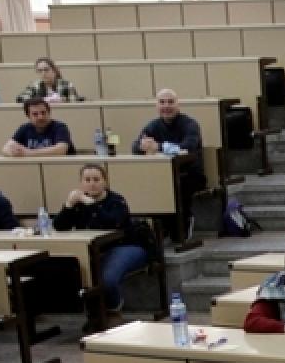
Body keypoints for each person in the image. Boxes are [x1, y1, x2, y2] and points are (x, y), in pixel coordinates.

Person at [52, 164, 157, 319]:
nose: (92, 183)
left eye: (96, 179)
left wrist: (92, 205)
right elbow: (59, 227)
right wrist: (68, 206)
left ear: (105, 182)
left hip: (125, 246)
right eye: (87, 180)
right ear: (81, 183)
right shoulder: (78, 203)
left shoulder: (116, 201)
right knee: (75, 274)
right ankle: (95, 314)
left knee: (107, 280)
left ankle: (113, 311)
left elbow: (112, 223)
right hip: (94, 249)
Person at [132, 89, 206, 241]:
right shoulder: (152, 126)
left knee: (179, 186)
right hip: (162, 176)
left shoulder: (190, 124)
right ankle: (160, 230)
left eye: (170, 102)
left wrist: (158, 147)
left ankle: (182, 227)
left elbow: (188, 147)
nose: (166, 106)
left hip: (191, 175)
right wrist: (143, 145)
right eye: (162, 102)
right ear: (157, 106)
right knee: (150, 185)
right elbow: (135, 147)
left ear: (178, 105)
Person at [2, 99, 74, 157]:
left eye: (43, 113)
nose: (40, 117)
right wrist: (14, 152)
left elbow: (61, 150)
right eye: (35, 114)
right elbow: (5, 148)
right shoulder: (24, 128)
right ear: (28, 116)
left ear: (49, 113)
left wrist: (29, 153)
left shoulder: (60, 127)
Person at [15, 57, 81, 103]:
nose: (43, 73)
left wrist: (64, 100)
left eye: (46, 70)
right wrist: (43, 100)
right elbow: (20, 99)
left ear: (54, 71)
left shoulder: (66, 85)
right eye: (40, 71)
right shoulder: (34, 85)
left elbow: (75, 102)